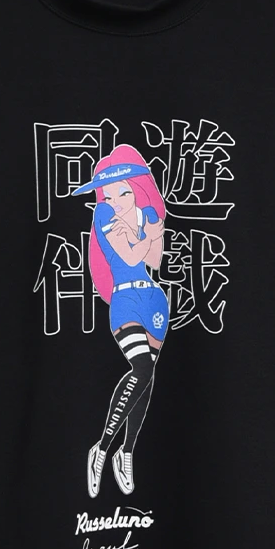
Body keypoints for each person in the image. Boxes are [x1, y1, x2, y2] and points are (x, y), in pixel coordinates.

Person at [72, 145, 168, 496]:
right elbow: (129, 256)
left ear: (136, 188)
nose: (116, 200)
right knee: (141, 368)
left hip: (154, 300)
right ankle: (101, 448)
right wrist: (150, 232)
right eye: (109, 194)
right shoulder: (103, 215)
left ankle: (126, 453)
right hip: (125, 300)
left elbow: (155, 260)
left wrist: (150, 231)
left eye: (123, 192)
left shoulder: (143, 214)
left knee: (147, 377)